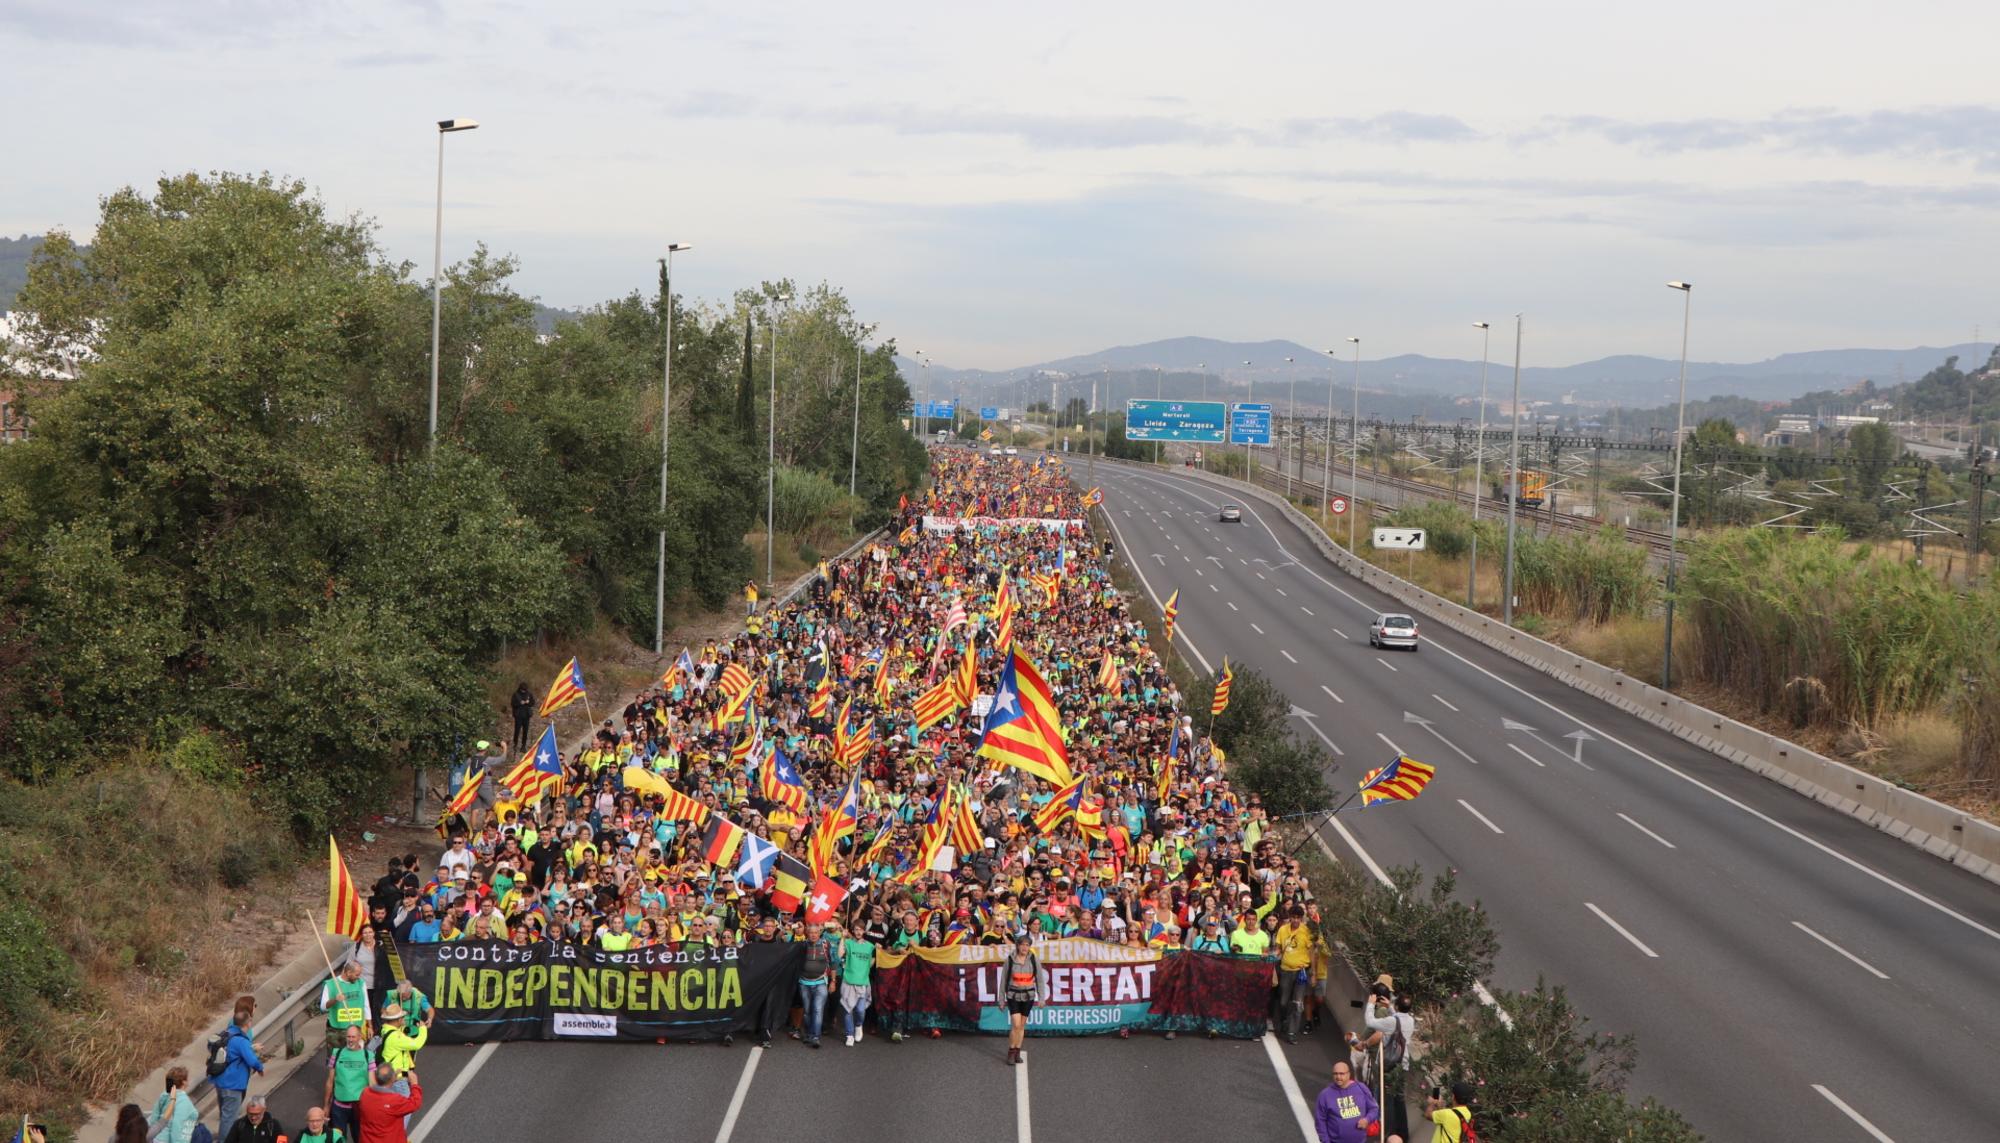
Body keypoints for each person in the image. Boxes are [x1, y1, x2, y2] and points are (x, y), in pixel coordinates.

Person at [213, 1008, 262, 1140]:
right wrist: (260, 1067)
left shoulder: (225, 1034)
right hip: (233, 1085)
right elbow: (252, 1060)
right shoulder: (241, 1040)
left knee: (225, 1116)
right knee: (229, 1119)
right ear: (248, 1023)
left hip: (219, 1082)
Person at [323, 1022, 375, 1142]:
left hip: (360, 1107)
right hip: (339, 1108)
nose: (350, 1040)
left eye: (353, 1037)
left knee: (360, 1139)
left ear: (360, 1037)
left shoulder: (368, 1056)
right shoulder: (337, 1054)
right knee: (338, 1140)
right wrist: (326, 1105)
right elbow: (330, 1081)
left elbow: (372, 1083)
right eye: (348, 1037)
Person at [1274, 905, 1315, 1044]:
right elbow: (1279, 949)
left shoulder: (1306, 931)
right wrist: (1272, 957)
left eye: (1298, 918)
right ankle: (1283, 1021)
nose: (1296, 920)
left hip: (1301, 971)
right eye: (1293, 917)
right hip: (1285, 970)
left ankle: (1292, 1032)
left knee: (1298, 1003)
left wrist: (1313, 972)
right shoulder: (1282, 930)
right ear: (1290, 917)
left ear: (1302, 918)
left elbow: (1311, 952)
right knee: (1284, 1002)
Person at [1001, 932, 1043, 1066]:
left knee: (1022, 1025)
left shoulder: (1033, 959)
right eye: (1022, 945)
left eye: (1027, 945)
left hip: (1028, 996)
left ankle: (1017, 1051)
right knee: (1016, 1024)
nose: (1025, 948)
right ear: (1017, 946)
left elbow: (1040, 979)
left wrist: (1041, 997)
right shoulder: (1010, 960)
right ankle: (1011, 1052)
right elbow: (1003, 980)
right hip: (1013, 995)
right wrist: (1001, 999)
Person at [1314, 1060, 1379, 1143]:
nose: (1338, 1077)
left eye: (1341, 1074)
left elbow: (1374, 1108)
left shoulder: (1361, 1088)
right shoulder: (1325, 1095)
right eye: (1335, 1074)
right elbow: (1320, 1121)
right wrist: (1325, 1141)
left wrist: (1367, 1119)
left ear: (1348, 1074)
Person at [357, 1064, 424, 1143]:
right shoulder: (394, 1101)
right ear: (392, 1079)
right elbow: (415, 1103)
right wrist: (414, 1083)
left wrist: (391, 1079)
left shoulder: (365, 1093)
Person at [796, 922, 834, 1048]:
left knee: (817, 1010)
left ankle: (815, 1037)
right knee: (807, 1011)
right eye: (811, 932)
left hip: (821, 983)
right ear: (807, 933)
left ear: (819, 933)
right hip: (804, 983)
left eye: (816, 933)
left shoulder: (826, 945)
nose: (813, 935)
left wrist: (833, 981)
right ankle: (808, 1034)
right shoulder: (802, 945)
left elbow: (834, 964)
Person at [837, 924, 875, 1047]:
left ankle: (858, 1025)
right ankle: (849, 1035)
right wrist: (842, 938)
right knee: (848, 1009)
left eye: (861, 929)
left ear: (864, 931)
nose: (858, 932)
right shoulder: (848, 942)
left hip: (863, 982)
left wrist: (865, 969)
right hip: (848, 981)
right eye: (856, 929)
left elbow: (873, 959)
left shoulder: (870, 946)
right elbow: (839, 955)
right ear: (853, 931)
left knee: (860, 1010)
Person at [146, 1066, 199, 1143]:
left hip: (154, 1137)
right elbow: (177, 1128)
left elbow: (154, 1117)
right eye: (187, 1079)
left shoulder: (164, 1095)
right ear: (184, 1082)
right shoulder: (185, 1103)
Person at [510, 682, 535, 753]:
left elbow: (533, 703)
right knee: (517, 731)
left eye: (525, 690)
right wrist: (519, 703)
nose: (524, 691)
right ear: (520, 689)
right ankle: (515, 744)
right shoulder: (515, 694)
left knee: (525, 731)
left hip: (527, 716)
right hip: (518, 716)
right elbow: (512, 704)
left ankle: (523, 746)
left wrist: (528, 702)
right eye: (522, 690)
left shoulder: (529, 694)